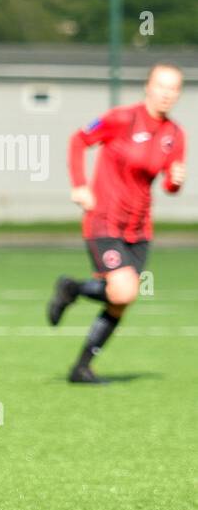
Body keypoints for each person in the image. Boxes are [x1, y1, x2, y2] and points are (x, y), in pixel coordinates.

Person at [47, 63, 186, 383]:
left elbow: (168, 185)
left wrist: (176, 181)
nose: (167, 93)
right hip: (105, 220)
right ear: (147, 87)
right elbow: (78, 140)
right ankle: (73, 288)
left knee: (121, 302)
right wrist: (80, 184)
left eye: (174, 88)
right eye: (161, 86)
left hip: (139, 229)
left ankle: (81, 367)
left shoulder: (175, 135)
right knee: (122, 291)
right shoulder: (122, 119)